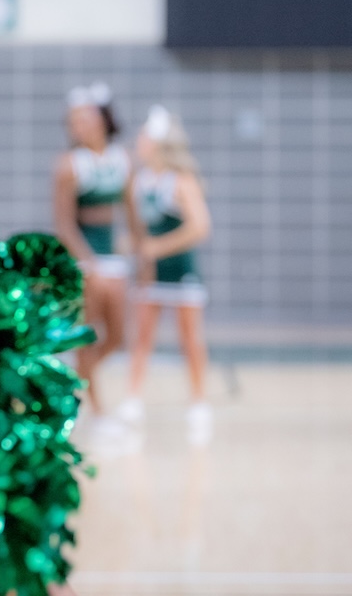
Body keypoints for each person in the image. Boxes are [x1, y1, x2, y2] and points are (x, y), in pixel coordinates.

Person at [121, 106, 212, 444]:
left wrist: (158, 248)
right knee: (142, 336)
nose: (139, 143)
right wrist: (136, 247)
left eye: (144, 138)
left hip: (182, 272)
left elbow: (200, 226)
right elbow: (139, 230)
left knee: (190, 339)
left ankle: (199, 402)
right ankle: (132, 398)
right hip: (150, 276)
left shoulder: (182, 182)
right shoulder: (140, 182)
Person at [53, 83, 132, 422]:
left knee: (117, 337)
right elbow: (65, 224)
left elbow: (132, 213)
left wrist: (140, 252)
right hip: (84, 260)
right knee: (88, 333)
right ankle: (96, 408)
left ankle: (72, 382)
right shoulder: (70, 165)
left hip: (114, 261)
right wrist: (89, 263)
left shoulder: (121, 159)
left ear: (101, 119)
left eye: (83, 119)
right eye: (72, 121)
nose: (77, 126)